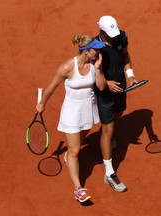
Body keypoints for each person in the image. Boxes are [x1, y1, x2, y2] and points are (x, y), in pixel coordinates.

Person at [35, 35, 106, 202]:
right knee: (75, 151)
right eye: (96, 49)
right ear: (86, 51)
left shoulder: (94, 64)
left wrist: (98, 69)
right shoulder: (67, 67)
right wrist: (42, 103)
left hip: (88, 110)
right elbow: (51, 87)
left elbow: (101, 87)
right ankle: (78, 189)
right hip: (72, 112)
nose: (99, 51)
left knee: (81, 140)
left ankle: (68, 154)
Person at [95, 15, 138, 192]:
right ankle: (109, 172)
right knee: (109, 128)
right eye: (109, 34)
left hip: (120, 87)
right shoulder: (94, 47)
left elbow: (126, 55)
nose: (114, 37)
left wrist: (130, 75)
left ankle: (105, 132)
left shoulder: (122, 37)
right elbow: (92, 71)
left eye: (114, 33)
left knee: (118, 114)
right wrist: (106, 83)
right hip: (103, 92)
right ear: (101, 32)